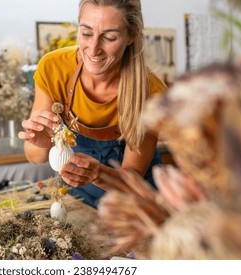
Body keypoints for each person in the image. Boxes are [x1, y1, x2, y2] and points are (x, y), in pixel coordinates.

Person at [18, 0, 167, 208]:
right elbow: (35, 157)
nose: (94, 48)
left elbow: (132, 180)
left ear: (131, 36)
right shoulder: (54, 68)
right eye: (86, 33)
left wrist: (99, 174)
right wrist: (41, 142)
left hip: (134, 203)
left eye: (109, 37)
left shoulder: (151, 93)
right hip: (80, 198)